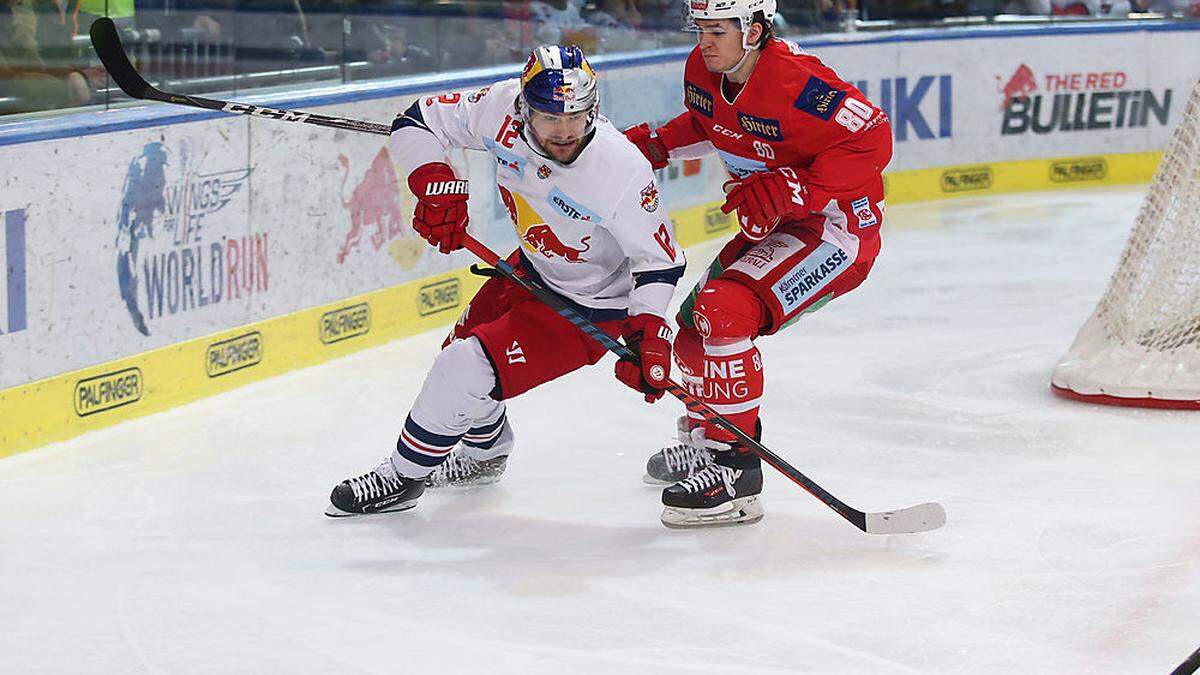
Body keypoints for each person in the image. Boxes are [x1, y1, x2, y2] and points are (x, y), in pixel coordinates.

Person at [326, 45, 686, 518]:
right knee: (458, 365)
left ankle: (404, 476)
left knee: (462, 368)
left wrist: (648, 330)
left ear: (592, 109)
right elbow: (416, 121)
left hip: (591, 305)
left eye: (575, 117)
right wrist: (434, 182)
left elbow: (659, 261)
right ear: (523, 109)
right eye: (548, 117)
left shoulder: (620, 170)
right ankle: (486, 452)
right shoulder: (499, 110)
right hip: (532, 270)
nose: (563, 131)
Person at [622, 0, 892, 527]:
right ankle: (709, 437)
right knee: (692, 332)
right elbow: (710, 121)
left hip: (836, 229)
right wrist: (653, 146)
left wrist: (803, 187)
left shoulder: (797, 81)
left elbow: (872, 136)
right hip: (780, 224)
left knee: (725, 310)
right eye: (700, 29)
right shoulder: (703, 69)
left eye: (719, 31)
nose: (705, 42)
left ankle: (737, 474)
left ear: (756, 30)